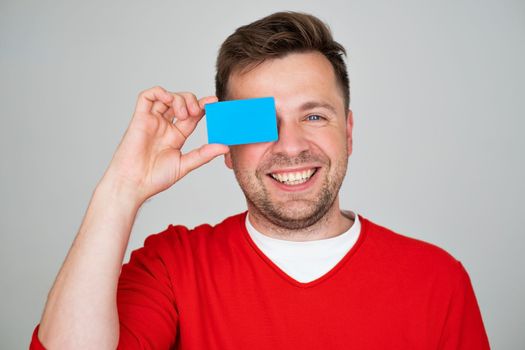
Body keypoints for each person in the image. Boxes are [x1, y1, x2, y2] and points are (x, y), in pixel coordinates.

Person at [30, 11, 490, 349]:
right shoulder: (173, 266)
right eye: (260, 124)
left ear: (348, 132)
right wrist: (122, 188)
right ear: (227, 149)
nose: (290, 146)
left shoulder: (436, 279)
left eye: (313, 115)